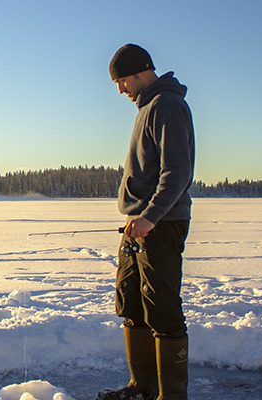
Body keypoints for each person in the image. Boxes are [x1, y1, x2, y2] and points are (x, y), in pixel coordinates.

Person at [98, 43, 195, 400]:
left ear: (140, 72)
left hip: (162, 223)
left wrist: (151, 217)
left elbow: (178, 172)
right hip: (140, 224)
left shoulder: (166, 105)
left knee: (163, 310)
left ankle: (171, 396)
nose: (120, 90)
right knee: (132, 303)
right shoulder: (147, 108)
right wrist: (138, 219)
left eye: (122, 81)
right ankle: (141, 388)